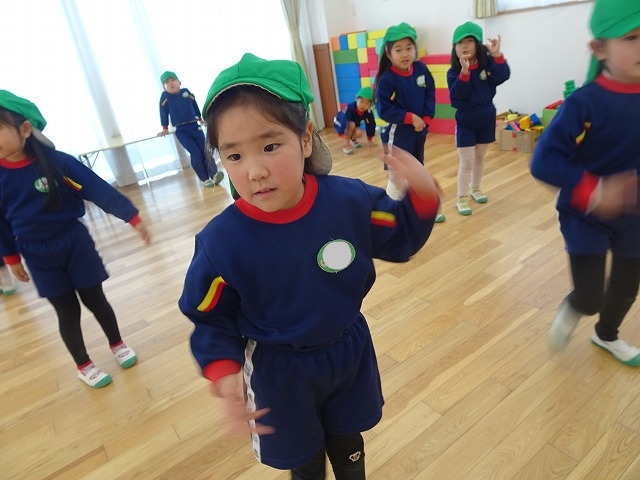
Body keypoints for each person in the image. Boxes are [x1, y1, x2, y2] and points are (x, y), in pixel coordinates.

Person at [178, 53, 441, 480]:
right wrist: (224, 371)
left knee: (349, 440)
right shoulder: (221, 244)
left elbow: (398, 237)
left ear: (304, 140)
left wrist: (422, 197)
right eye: (234, 156)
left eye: (269, 146)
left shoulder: (350, 201)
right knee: (304, 461)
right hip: (278, 372)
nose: (255, 171)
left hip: (348, 351)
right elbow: (209, 316)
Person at [0, 90, 152, 387]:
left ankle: (117, 343)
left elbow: (95, 188)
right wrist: (11, 258)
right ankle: (83, 364)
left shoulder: (57, 163)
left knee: (96, 299)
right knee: (66, 311)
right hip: (37, 254)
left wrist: (130, 215)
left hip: (74, 243)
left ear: (25, 129)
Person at [530, 0, 640, 366]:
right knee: (591, 297)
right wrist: (596, 191)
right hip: (586, 214)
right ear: (600, 49)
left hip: (634, 217)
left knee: (627, 288)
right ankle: (576, 305)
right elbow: (544, 161)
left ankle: (606, 335)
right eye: (631, 37)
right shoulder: (584, 103)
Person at [374, 23, 443, 222]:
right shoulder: (387, 79)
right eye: (398, 50)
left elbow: (430, 92)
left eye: (409, 48)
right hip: (398, 133)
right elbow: (384, 109)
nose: (405, 53)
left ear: (415, 49)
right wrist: (410, 117)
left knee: (417, 170)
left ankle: (424, 210)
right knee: (397, 176)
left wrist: (426, 118)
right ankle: (390, 211)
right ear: (388, 54)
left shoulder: (421, 69)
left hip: (419, 131)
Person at [448, 22, 510, 216]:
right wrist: (464, 73)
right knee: (466, 161)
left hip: (486, 116)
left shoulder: (487, 64)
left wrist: (497, 55)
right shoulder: (453, 72)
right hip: (466, 120)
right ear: (454, 48)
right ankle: (462, 197)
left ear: (478, 44)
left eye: (469, 41)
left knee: (480, 157)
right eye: (460, 43)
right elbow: (458, 95)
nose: (464, 46)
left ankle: (475, 188)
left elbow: (502, 76)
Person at [157, 71, 224, 188]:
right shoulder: (165, 97)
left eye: (173, 80)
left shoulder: (186, 92)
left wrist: (200, 118)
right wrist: (165, 127)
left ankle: (214, 174)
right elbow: (163, 112)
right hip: (181, 131)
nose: (171, 83)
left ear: (179, 82)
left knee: (205, 151)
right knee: (196, 153)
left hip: (195, 126)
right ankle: (204, 179)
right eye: (167, 82)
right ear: (164, 87)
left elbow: (194, 105)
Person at [333, 86, 377, 155]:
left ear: (370, 105)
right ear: (356, 99)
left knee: (359, 132)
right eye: (361, 101)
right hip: (340, 123)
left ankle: (352, 139)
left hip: (351, 125)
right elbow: (343, 121)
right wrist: (343, 135)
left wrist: (370, 140)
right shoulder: (349, 108)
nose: (363, 105)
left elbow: (371, 124)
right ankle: (346, 145)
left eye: (367, 103)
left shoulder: (368, 111)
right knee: (351, 124)